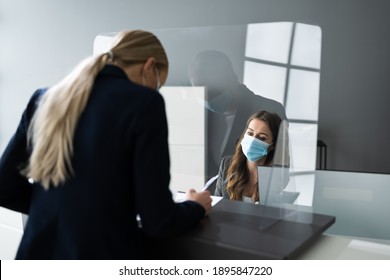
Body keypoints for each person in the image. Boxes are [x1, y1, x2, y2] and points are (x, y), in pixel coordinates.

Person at [0, 30, 212, 259]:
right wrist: (195, 206)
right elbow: (158, 221)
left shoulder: (44, 98)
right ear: (149, 66)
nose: (155, 90)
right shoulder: (144, 103)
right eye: (158, 83)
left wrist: (57, 212)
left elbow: (4, 187)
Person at [188, 50, 288, 183]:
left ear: (233, 80)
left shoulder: (270, 110)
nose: (209, 103)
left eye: (214, 96)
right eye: (203, 98)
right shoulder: (202, 116)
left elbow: (280, 174)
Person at [214, 110, 282, 204]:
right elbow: (217, 205)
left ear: (273, 145)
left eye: (262, 138)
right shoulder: (227, 164)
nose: (253, 140)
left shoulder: (278, 175)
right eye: (250, 133)